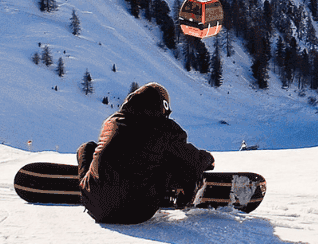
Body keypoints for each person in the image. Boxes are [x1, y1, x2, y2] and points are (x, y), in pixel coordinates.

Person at [75, 83, 214, 225]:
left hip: (96, 208)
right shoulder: (165, 128)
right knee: (171, 157)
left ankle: (94, 187)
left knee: (87, 148)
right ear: (163, 106)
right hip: (138, 210)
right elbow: (191, 158)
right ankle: (186, 195)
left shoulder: (111, 122)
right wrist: (209, 160)